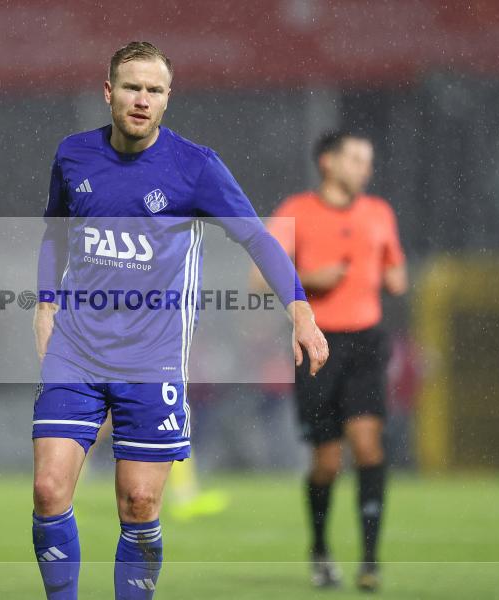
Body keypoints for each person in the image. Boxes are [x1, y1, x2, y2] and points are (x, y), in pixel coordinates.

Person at [30, 41, 328, 599]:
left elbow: (258, 239)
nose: (142, 100)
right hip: (76, 349)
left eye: (155, 90)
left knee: (139, 504)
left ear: (168, 99)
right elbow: (55, 233)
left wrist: (301, 312)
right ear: (109, 92)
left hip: (153, 358)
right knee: (49, 489)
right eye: (132, 87)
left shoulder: (196, 167)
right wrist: (46, 302)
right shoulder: (73, 156)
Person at [259, 131, 407, 591]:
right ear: (328, 163)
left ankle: (369, 560)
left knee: (367, 443)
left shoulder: (379, 212)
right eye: (357, 159)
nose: (366, 168)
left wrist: (388, 273)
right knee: (326, 462)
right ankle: (321, 549)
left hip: (366, 343)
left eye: (369, 160)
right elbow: (260, 281)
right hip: (318, 346)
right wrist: (308, 278)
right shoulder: (295, 211)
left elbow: (396, 276)